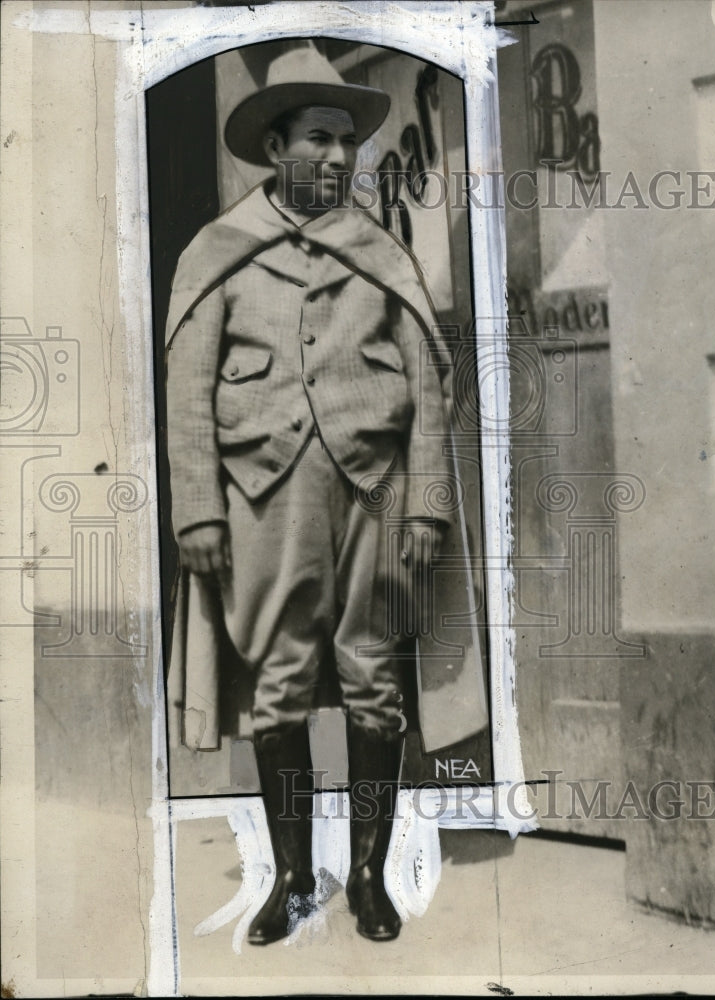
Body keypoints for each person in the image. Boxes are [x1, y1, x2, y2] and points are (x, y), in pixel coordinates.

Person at [165, 45, 481, 946]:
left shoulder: (380, 252)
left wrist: (424, 500)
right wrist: (197, 506)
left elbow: (429, 383)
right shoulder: (218, 251)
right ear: (275, 147)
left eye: (347, 143)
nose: (339, 159)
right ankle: (295, 877)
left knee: (374, 681)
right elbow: (185, 390)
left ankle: (371, 877)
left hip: (373, 496)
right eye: (318, 139)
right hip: (263, 499)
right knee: (280, 688)